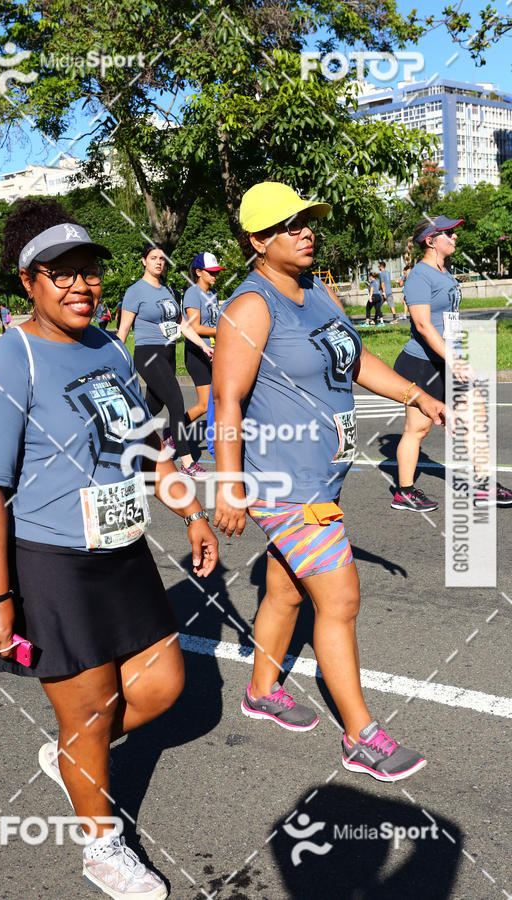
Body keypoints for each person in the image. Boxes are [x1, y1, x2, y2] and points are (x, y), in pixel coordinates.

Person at [0, 197, 218, 898]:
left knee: (163, 685)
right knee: (88, 711)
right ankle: (100, 848)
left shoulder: (110, 347)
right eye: (61, 274)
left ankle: (72, 754)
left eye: (89, 271)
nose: (80, 285)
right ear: (28, 281)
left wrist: (190, 514)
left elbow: (151, 443)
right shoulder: (9, 359)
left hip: (123, 551)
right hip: (52, 564)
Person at [213, 181, 447, 781]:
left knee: (288, 590)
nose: (306, 231)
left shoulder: (318, 290)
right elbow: (227, 399)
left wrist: (416, 393)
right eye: (289, 225)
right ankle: (361, 736)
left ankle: (262, 689)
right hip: (283, 482)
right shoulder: (251, 306)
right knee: (339, 601)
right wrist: (230, 483)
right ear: (257, 241)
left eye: (307, 220)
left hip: (323, 473)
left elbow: (357, 358)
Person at [392, 215, 512, 511]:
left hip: (449, 360)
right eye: (448, 233)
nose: (455, 237)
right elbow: (422, 325)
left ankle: (484, 487)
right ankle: (404, 492)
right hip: (424, 364)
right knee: (417, 430)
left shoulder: (444, 272)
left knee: (475, 421)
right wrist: (453, 359)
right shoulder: (419, 275)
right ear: (430, 241)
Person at [117, 244, 214, 480]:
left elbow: (183, 324)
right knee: (176, 401)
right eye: (153, 258)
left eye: (162, 258)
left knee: (153, 405)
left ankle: (122, 437)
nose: (159, 262)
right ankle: (188, 463)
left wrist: (202, 345)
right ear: (144, 261)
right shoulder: (135, 291)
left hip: (168, 353)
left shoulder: (167, 289)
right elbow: (123, 331)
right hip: (148, 354)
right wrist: (115, 362)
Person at [182, 252, 223, 433]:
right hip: (197, 353)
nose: (215, 276)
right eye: (211, 272)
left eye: (216, 272)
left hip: (214, 351)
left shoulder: (213, 294)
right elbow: (195, 327)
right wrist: (223, 330)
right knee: (205, 405)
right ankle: (174, 430)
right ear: (199, 272)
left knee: (219, 400)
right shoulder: (192, 293)